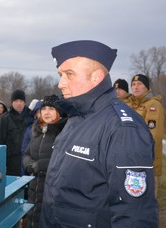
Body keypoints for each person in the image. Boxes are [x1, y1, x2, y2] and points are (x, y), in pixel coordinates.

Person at [40, 40, 158, 227]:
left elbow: (135, 215)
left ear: (96, 77)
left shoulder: (122, 128)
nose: (61, 83)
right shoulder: (76, 118)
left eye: (69, 74)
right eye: (60, 75)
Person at [22, 95, 66, 228]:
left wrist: (41, 165)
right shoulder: (37, 130)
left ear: (59, 112)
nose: (46, 112)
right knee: (32, 218)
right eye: (44, 108)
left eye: (51, 109)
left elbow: (64, 158)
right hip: (35, 187)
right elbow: (27, 153)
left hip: (53, 188)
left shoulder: (64, 131)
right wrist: (29, 164)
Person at [130, 74, 164, 197]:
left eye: (139, 84)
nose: (135, 87)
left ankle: (151, 215)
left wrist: (143, 154)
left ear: (147, 87)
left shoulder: (153, 105)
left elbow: (153, 134)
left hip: (147, 157)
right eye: (133, 84)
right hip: (134, 155)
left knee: (148, 193)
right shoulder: (134, 105)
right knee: (136, 191)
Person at [0, 89, 31, 176]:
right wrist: (2, 162)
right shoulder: (4, 118)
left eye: (21, 101)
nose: (19, 103)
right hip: (11, 162)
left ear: (24, 102)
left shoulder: (31, 117)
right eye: (16, 101)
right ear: (12, 102)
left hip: (28, 160)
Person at [20, 99, 42, 176]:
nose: (43, 114)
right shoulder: (30, 130)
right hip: (33, 171)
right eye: (39, 112)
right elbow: (24, 152)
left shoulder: (55, 130)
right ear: (35, 114)